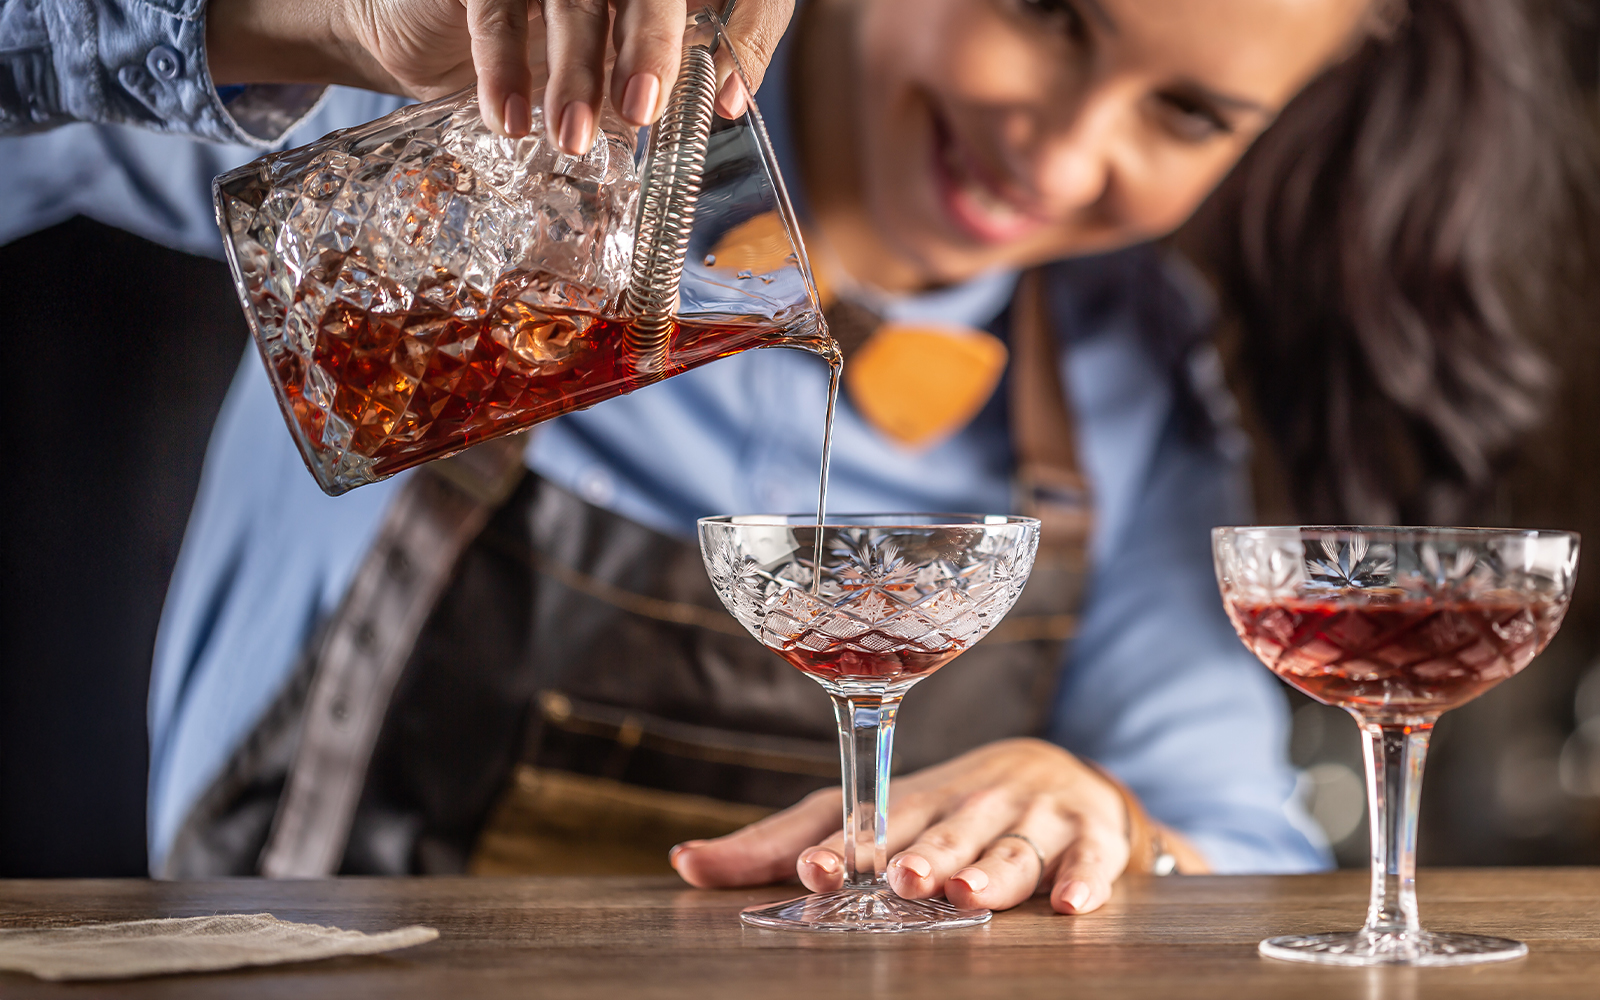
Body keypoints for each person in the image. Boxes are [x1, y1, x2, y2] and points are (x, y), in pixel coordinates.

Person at [1, 0, 1582, 915]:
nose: (1063, 149)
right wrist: (290, 19)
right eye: (1045, 7)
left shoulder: (1126, 383)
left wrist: (1100, 816)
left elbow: (1240, 849)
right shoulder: (492, 121)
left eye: (1183, 113)